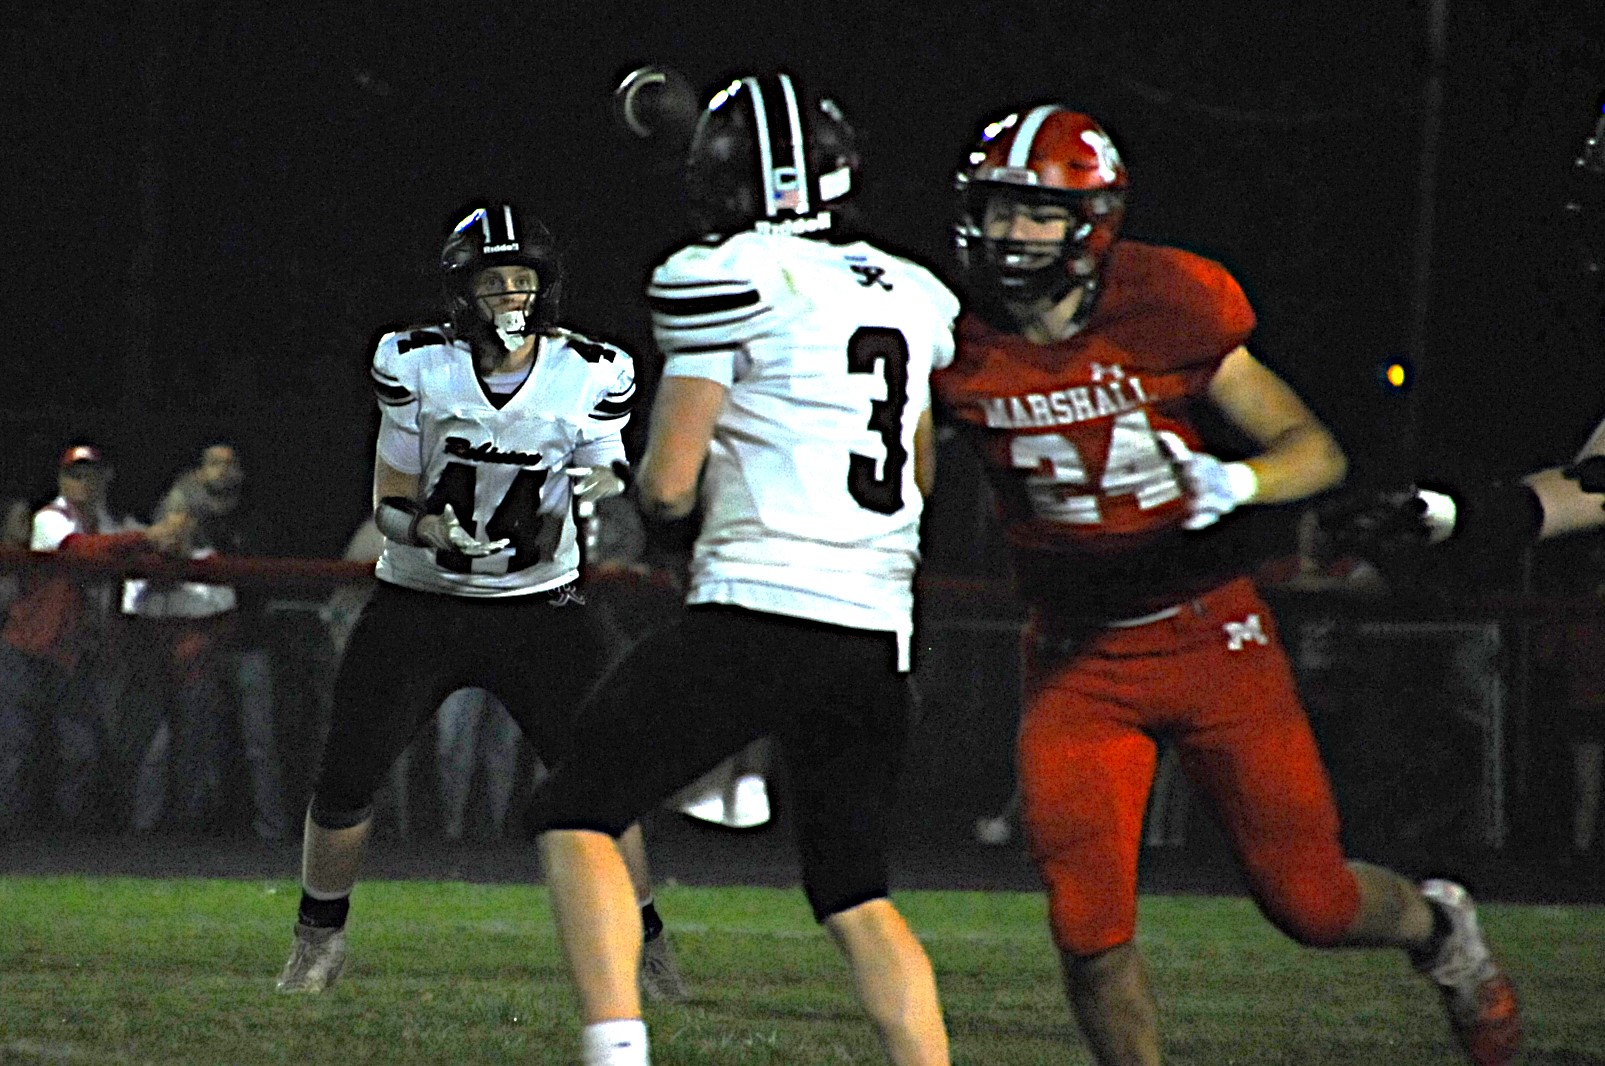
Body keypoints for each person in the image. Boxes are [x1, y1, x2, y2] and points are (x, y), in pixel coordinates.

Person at [930, 104, 1521, 1066]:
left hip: (1210, 637)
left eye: (1037, 212)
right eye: (998, 208)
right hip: (1078, 659)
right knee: (1086, 927)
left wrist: (1236, 482)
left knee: (1311, 903)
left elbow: (1313, 450)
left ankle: (1439, 928)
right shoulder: (945, 334)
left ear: (1093, 222)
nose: (1011, 233)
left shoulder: (1167, 301)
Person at [527, 69, 960, 1066]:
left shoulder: (722, 273)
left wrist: (649, 497)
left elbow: (669, 484)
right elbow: (920, 471)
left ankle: (615, 1054)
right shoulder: (915, 291)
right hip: (876, 630)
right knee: (854, 891)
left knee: (574, 809)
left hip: (759, 607)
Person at [275, 201, 686, 1005]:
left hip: (541, 609)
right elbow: (391, 499)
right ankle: (317, 937)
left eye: (520, 279)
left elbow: (607, 464)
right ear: (460, 291)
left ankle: (645, 941)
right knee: (346, 776)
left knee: (603, 784)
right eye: (491, 281)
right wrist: (426, 526)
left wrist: (599, 487)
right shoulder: (415, 363)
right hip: (420, 602)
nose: (508, 295)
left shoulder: (591, 369)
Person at [0, 444, 190, 833]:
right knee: (16, 749)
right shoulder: (49, 518)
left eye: (91, 475)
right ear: (61, 480)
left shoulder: (111, 524)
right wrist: (149, 537)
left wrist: (172, 536)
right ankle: (14, 841)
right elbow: (80, 551)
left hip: (78, 655)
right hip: (29, 648)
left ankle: (70, 842)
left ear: (106, 479)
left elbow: (153, 552)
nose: (83, 483)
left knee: (80, 751)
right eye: (75, 475)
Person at [122, 442, 288, 840]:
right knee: (169, 743)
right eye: (215, 463)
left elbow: (242, 592)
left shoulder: (251, 524)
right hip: (175, 652)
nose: (177, 521)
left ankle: (271, 830)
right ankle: (163, 828)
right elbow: (137, 596)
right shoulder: (161, 535)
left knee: (256, 742)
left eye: (230, 464)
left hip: (243, 643)